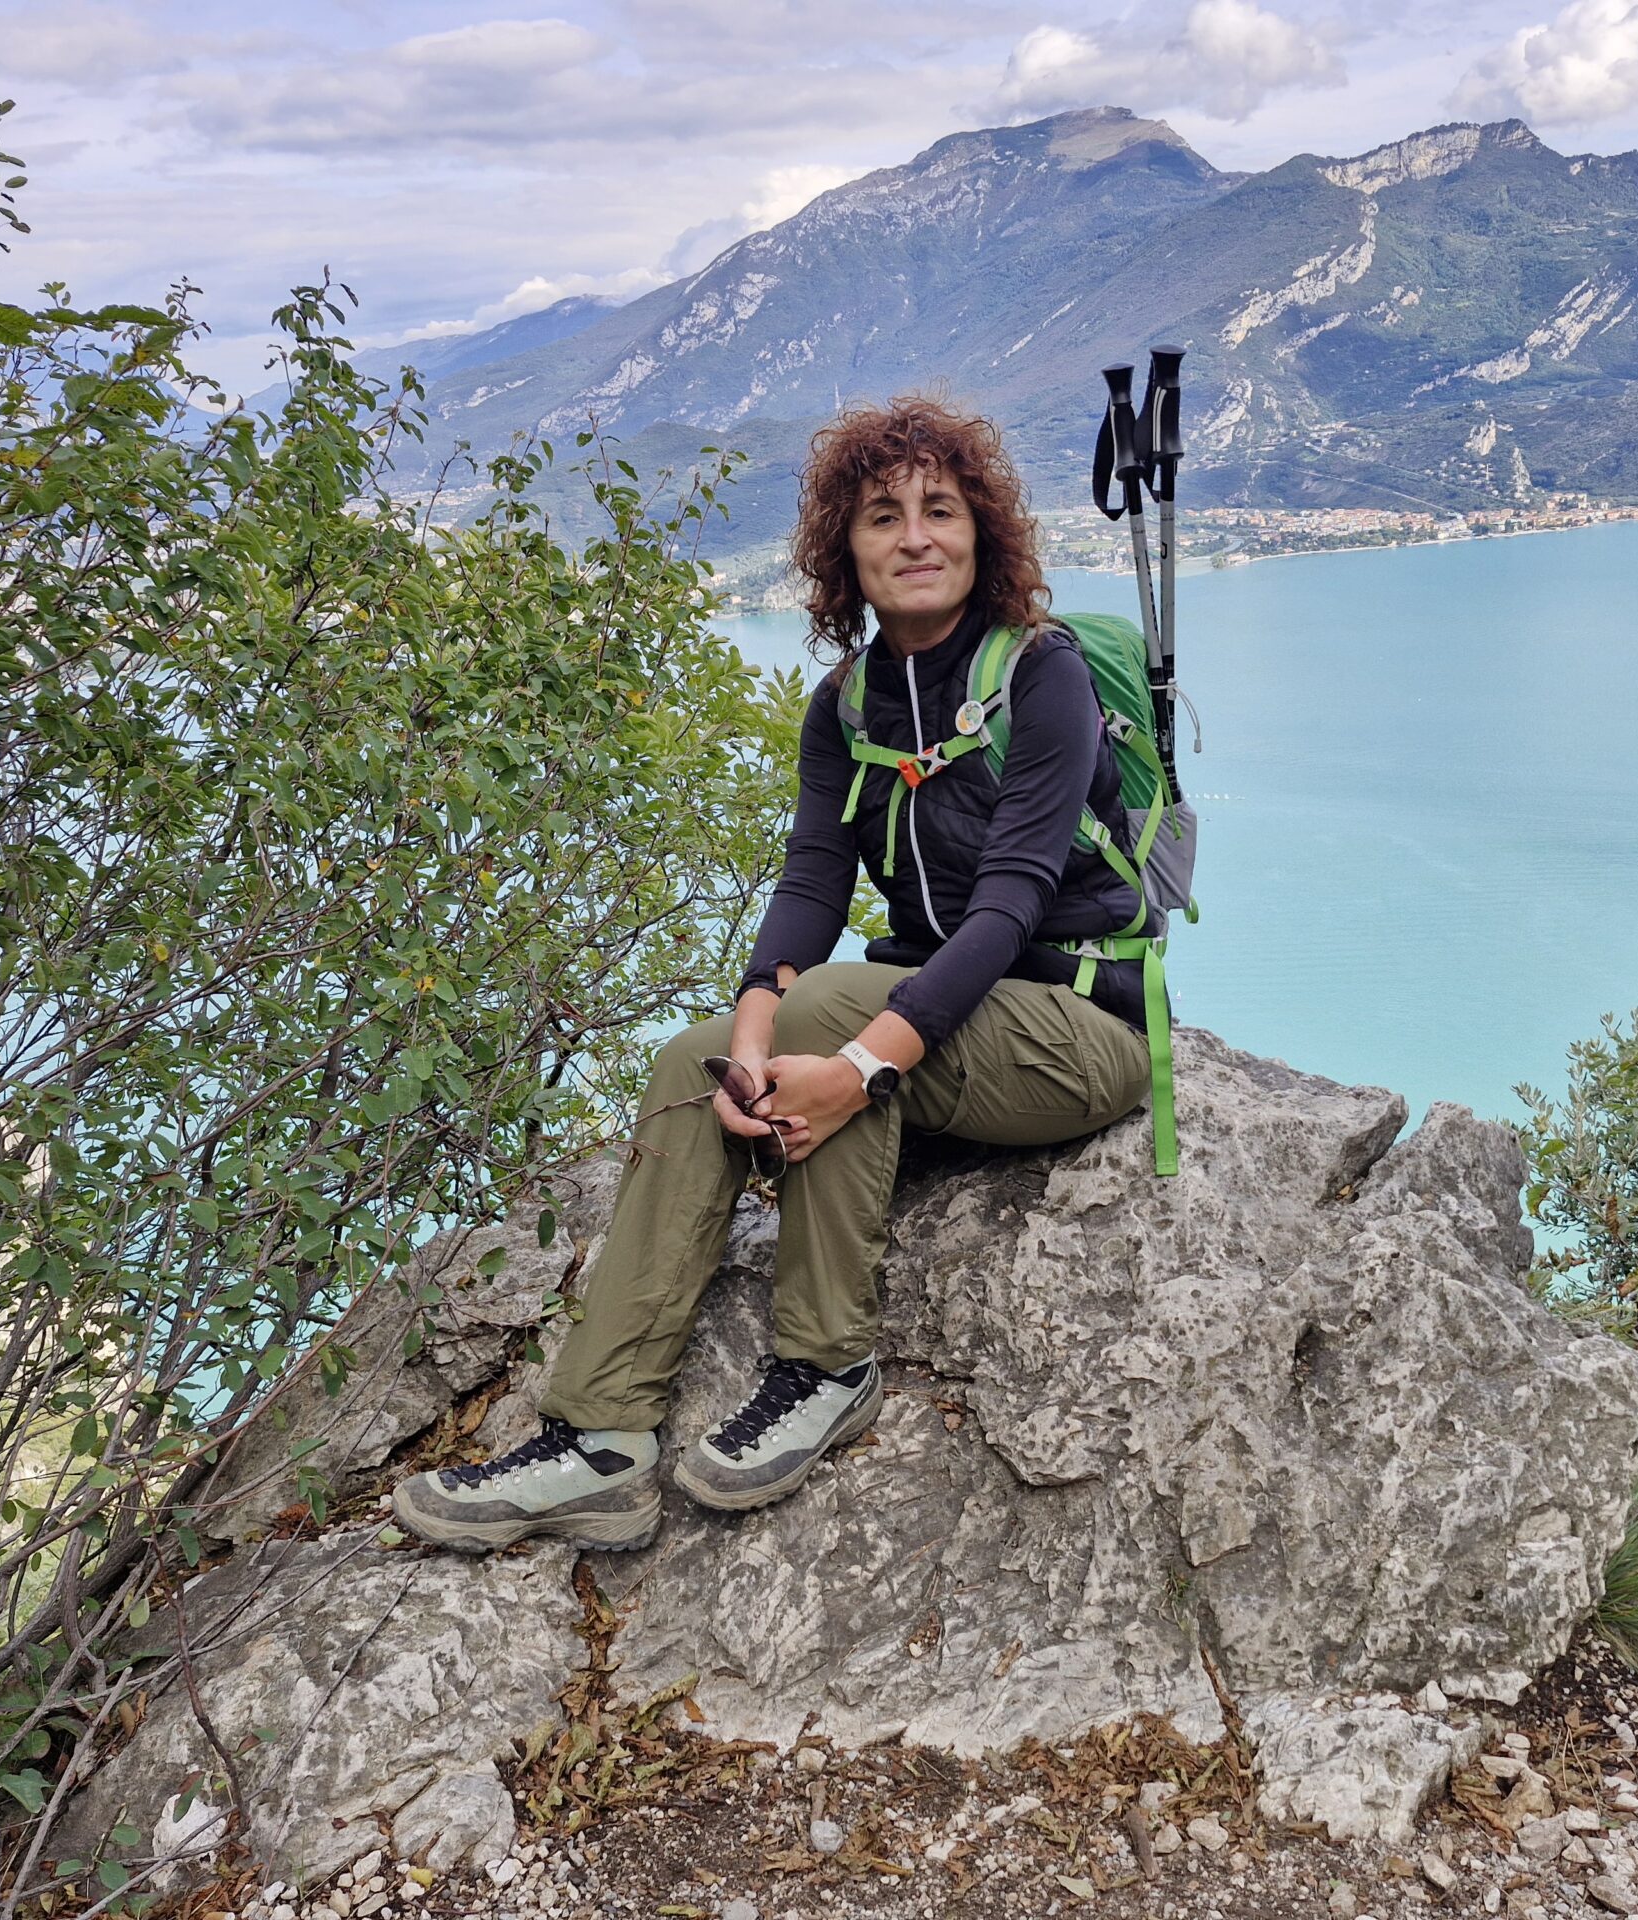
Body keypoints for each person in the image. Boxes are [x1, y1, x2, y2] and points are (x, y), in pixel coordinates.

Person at [393, 396, 1159, 1552]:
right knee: (688, 1058)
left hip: (1076, 1029)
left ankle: (822, 1365)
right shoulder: (846, 702)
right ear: (843, 551)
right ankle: (601, 1438)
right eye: (881, 515)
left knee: (830, 1006)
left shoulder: (1038, 676)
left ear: (982, 534)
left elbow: (1007, 906)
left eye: (939, 510)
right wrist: (752, 1033)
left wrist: (852, 1065)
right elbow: (812, 876)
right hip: (934, 1036)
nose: (913, 536)